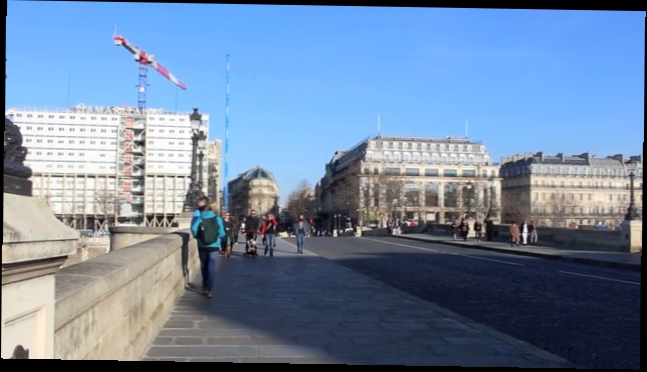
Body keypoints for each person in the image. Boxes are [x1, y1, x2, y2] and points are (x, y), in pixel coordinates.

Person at [190, 202, 225, 298]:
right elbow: (222, 233)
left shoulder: (201, 217)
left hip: (202, 245)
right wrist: (218, 236)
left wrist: (198, 237)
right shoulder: (217, 218)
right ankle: (209, 289)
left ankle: (204, 286)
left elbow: (193, 228)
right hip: (214, 246)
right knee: (212, 267)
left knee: (204, 265)